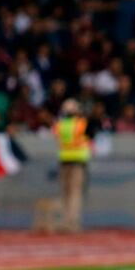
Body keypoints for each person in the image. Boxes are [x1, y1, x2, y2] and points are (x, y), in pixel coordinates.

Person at [51, 98, 94, 233]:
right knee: (75, 194)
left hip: (64, 161)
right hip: (78, 162)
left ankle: (64, 222)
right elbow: (91, 135)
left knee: (65, 193)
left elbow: (57, 137)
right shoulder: (81, 124)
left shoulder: (59, 125)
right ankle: (72, 223)